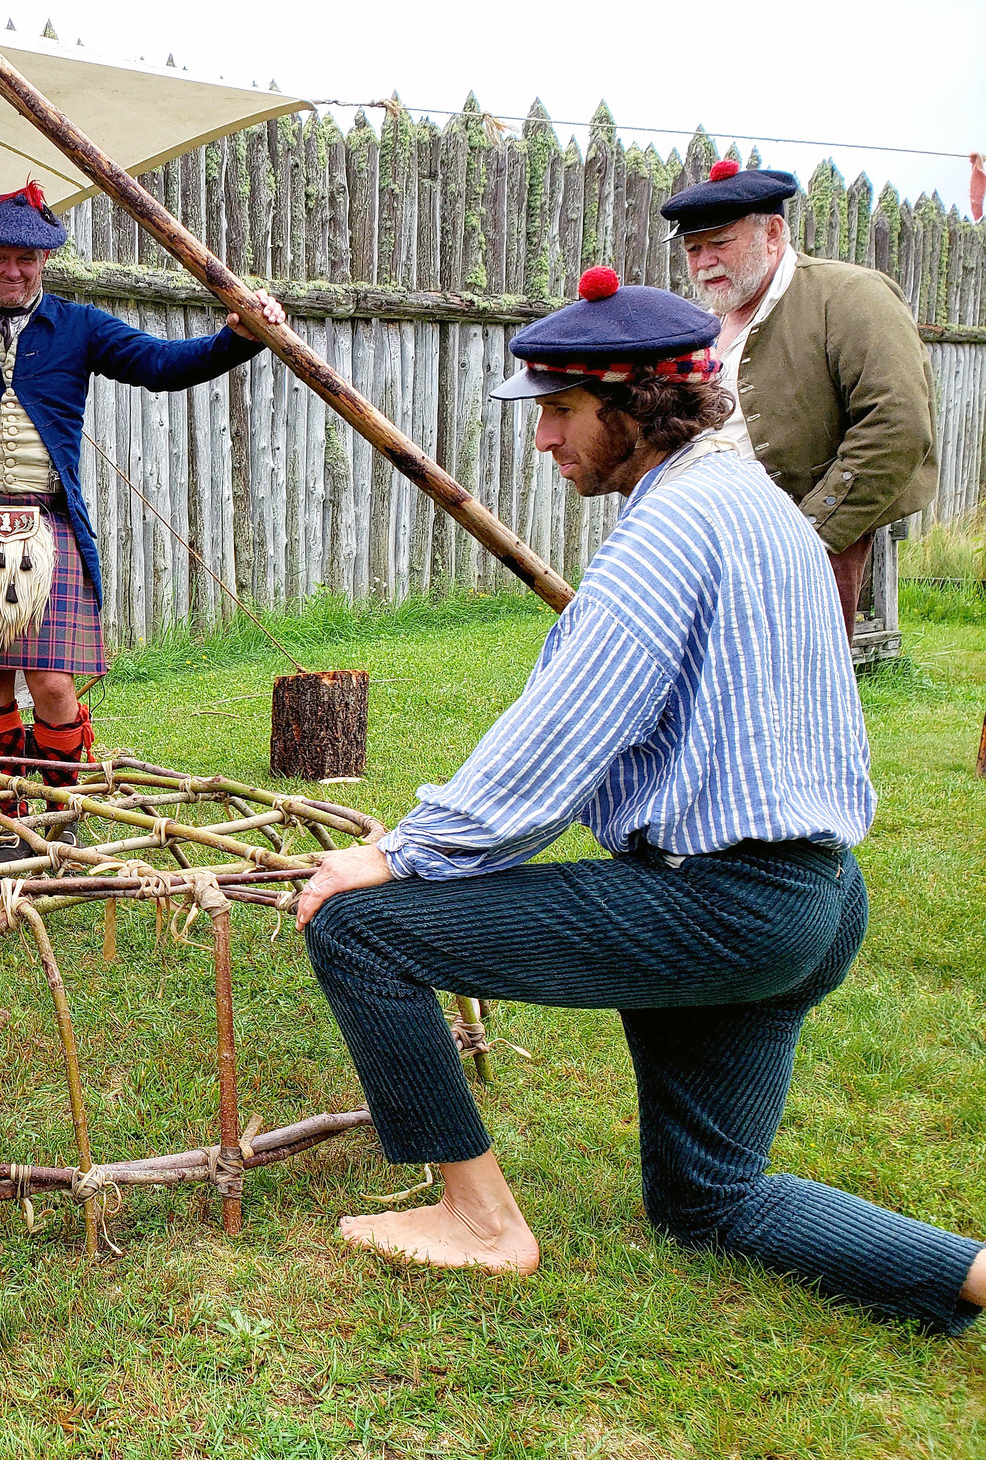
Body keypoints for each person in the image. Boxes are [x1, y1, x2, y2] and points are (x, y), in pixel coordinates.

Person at [292, 266, 985, 1335]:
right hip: (815, 900)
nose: (542, 440)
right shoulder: (759, 505)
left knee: (358, 929)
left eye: (560, 411)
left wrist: (402, 852)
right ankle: (974, 1273)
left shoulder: (665, 532)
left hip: (722, 905)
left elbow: (561, 735)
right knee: (708, 1199)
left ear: (636, 405)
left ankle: (478, 1223)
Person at [0, 182, 285, 859]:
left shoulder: (80, 328)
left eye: (25, 259)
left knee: (51, 681)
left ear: (44, 261)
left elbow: (163, 365)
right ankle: (9, 822)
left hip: (48, 530)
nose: (12, 272)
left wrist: (237, 336)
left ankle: (60, 808)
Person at [662, 160, 936, 640]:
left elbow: (898, 424)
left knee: (802, 692)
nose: (704, 262)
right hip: (713, 538)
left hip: (815, 537)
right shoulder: (706, 324)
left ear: (773, 232)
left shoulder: (851, 296)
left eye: (719, 243)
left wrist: (810, 535)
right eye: (692, 249)